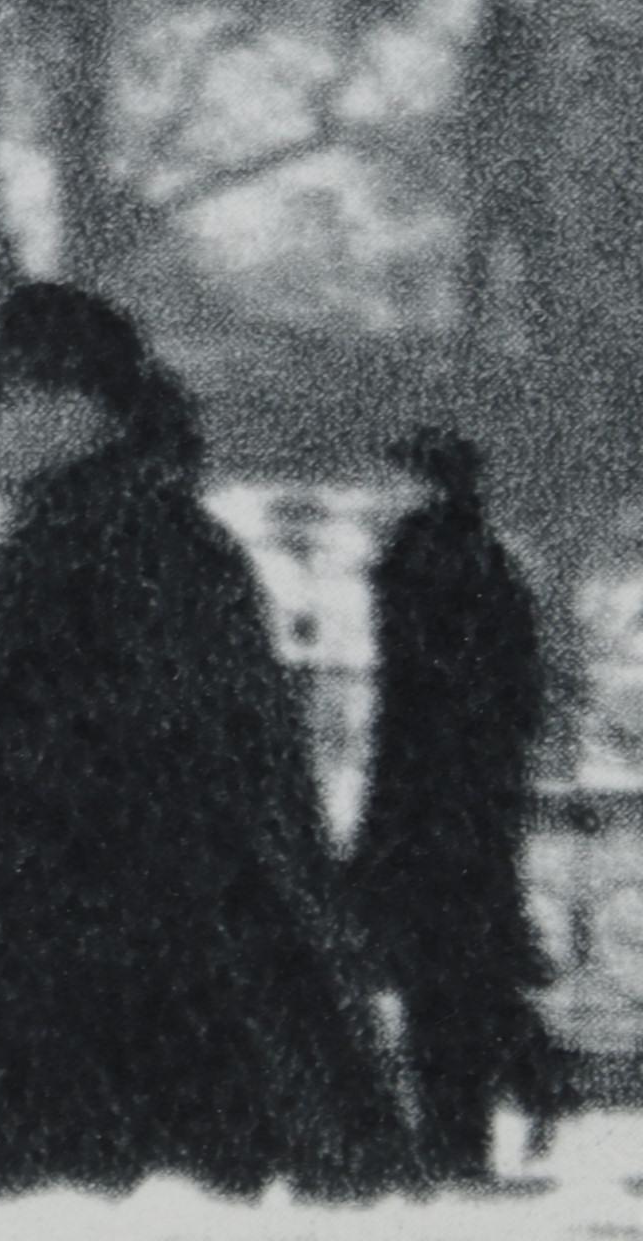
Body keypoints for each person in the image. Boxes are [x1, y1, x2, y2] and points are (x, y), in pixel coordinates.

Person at [0, 280, 411, 1202]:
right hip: (81, 972)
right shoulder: (72, 536)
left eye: (5, 399)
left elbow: (196, 765)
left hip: (140, 983)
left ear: (81, 406)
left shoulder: (144, 541)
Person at [350, 425, 561, 1184]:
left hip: (433, 806)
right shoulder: (480, 560)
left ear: (427, 484)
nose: (377, 494)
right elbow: (513, 693)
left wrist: (398, 812)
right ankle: (511, 1089)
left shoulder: (425, 565)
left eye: (391, 478)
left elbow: (417, 709)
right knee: (458, 969)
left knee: (438, 974)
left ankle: (463, 1132)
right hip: (467, 803)